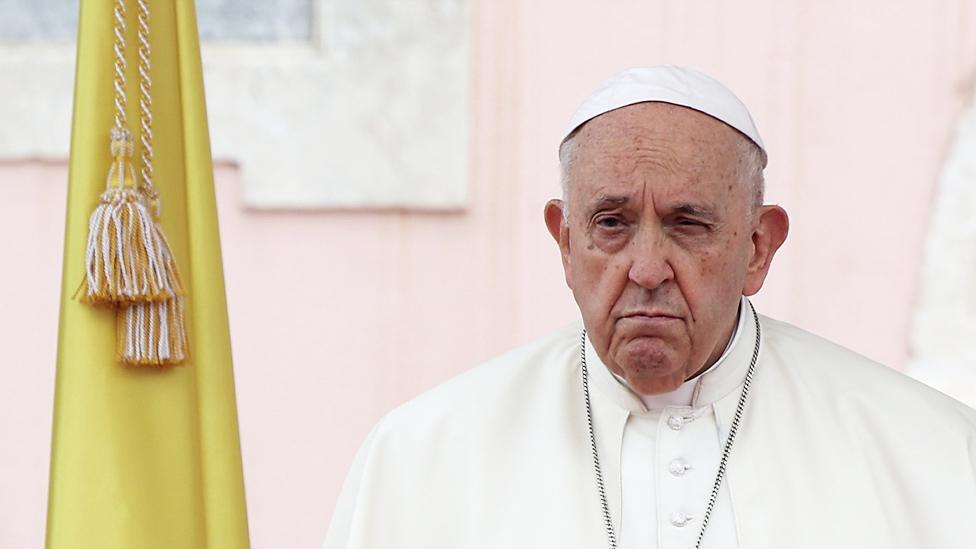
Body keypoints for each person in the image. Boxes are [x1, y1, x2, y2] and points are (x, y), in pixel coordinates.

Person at [323, 66, 976, 549]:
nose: (645, 268)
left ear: (757, 247)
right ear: (566, 242)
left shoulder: (931, 452)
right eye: (611, 222)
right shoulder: (421, 456)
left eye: (687, 224)